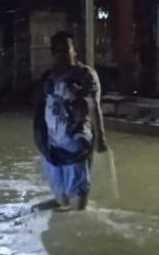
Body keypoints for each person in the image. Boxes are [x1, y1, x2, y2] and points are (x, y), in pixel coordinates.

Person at [34, 30, 108, 210]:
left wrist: (101, 137)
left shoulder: (86, 76)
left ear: (74, 50)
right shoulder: (47, 78)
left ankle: (78, 220)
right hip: (52, 145)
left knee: (78, 205)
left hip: (77, 143)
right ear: (52, 53)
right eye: (58, 51)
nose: (63, 54)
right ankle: (59, 208)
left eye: (66, 49)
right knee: (61, 198)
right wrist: (39, 140)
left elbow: (94, 106)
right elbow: (39, 111)